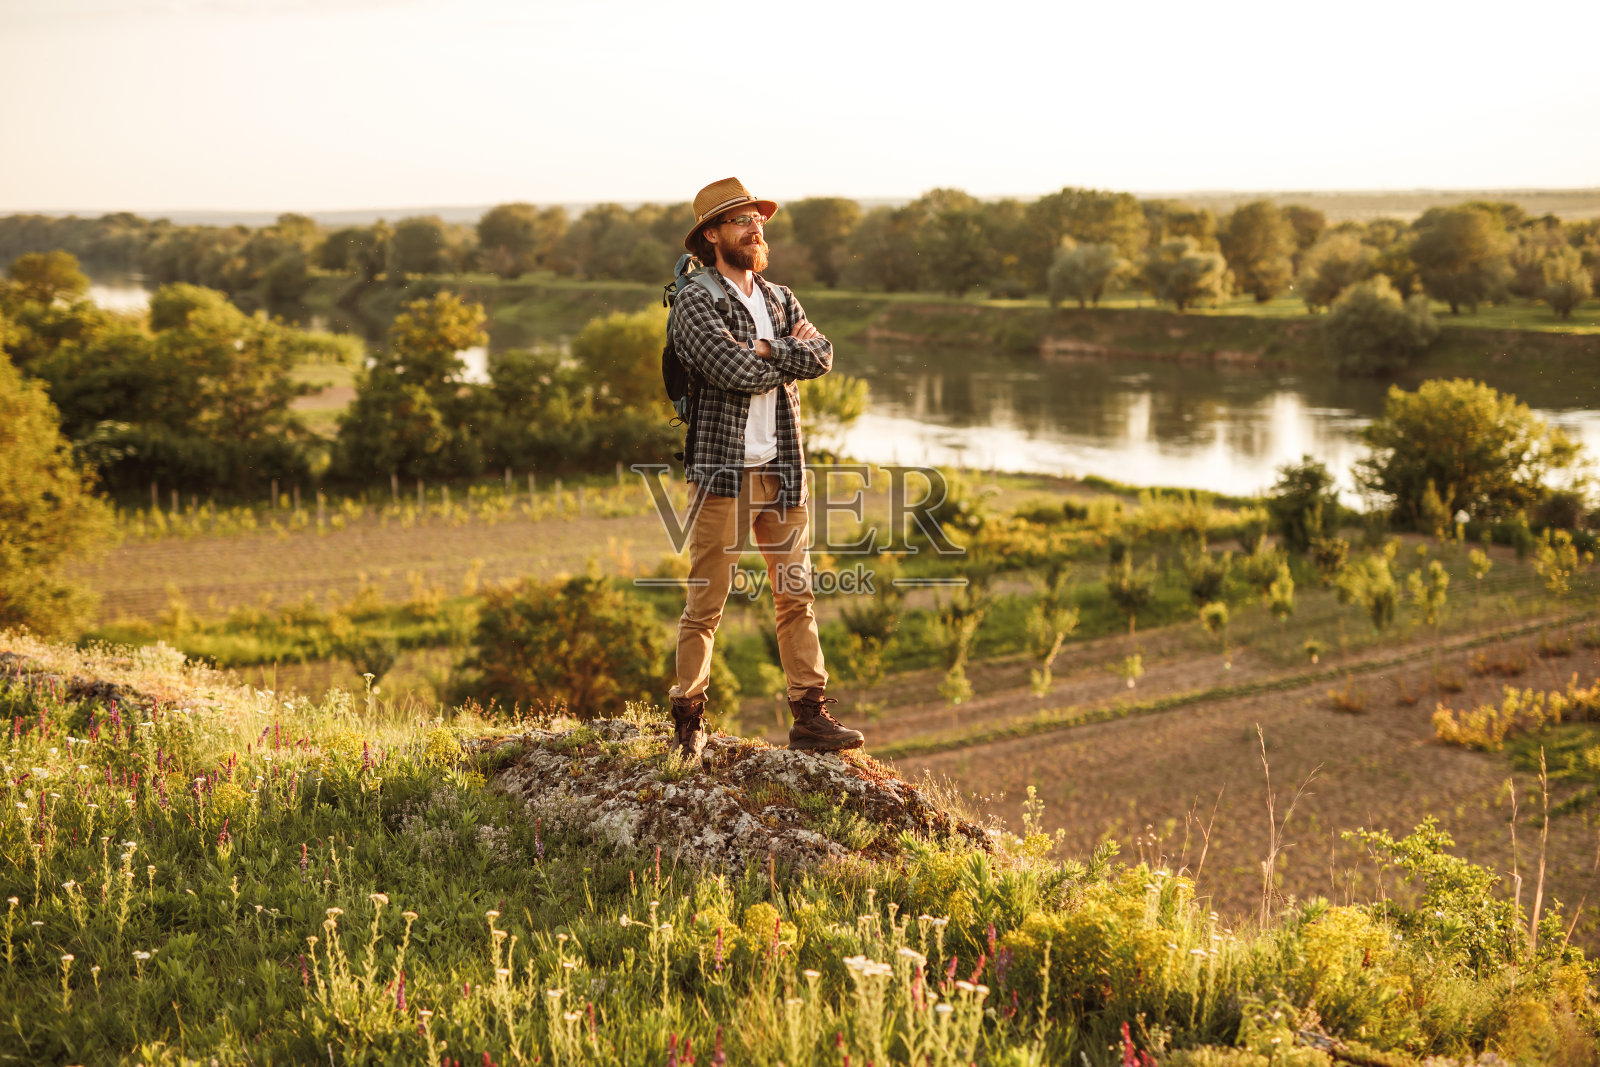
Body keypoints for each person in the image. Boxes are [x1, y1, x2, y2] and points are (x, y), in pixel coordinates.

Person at [666, 177, 866, 760]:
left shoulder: (780, 298)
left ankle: (810, 716)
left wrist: (766, 347)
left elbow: (823, 355)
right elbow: (730, 369)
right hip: (722, 475)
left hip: (783, 471)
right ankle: (688, 720)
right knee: (706, 605)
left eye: (758, 221)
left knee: (796, 597)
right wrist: (784, 353)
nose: (755, 230)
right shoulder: (695, 301)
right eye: (740, 222)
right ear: (712, 235)